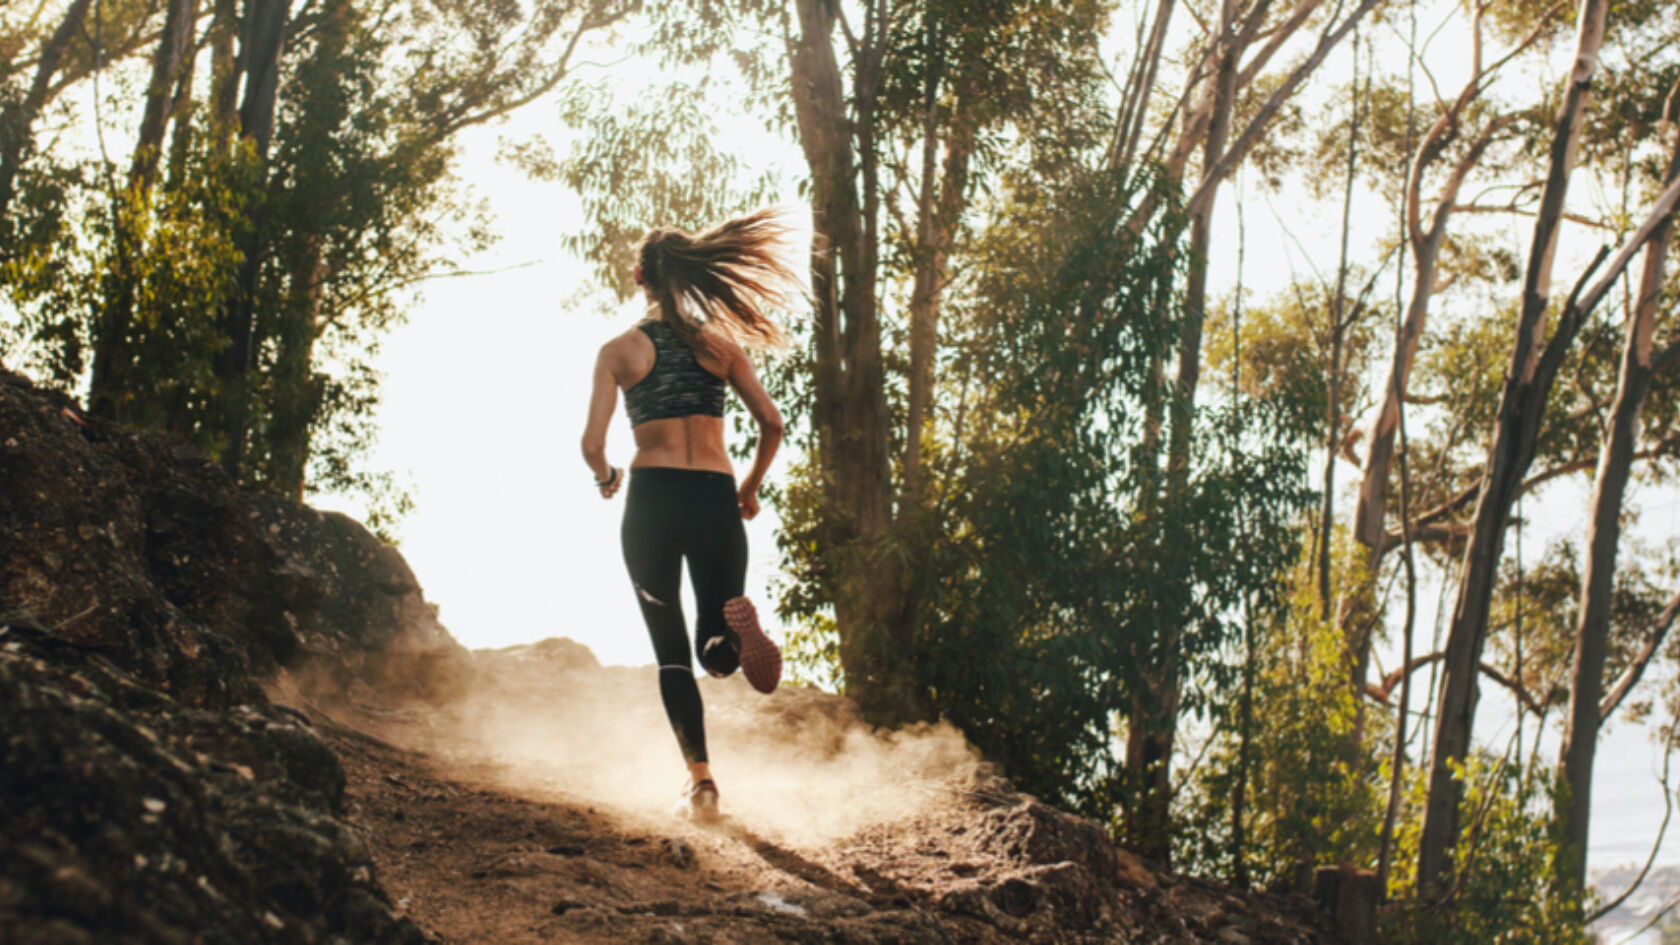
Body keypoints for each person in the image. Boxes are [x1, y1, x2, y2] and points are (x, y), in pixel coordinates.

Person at [580, 208, 800, 823]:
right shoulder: (720, 347)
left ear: (639, 277)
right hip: (713, 493)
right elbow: (773, 423)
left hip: (651, 497)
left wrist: (606, 479)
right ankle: (732, 631)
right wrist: (749, 489)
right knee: (715, 649)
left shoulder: (619, 351)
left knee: (672, 651)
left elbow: (592, 444)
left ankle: (701, 783)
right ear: (689, 278)